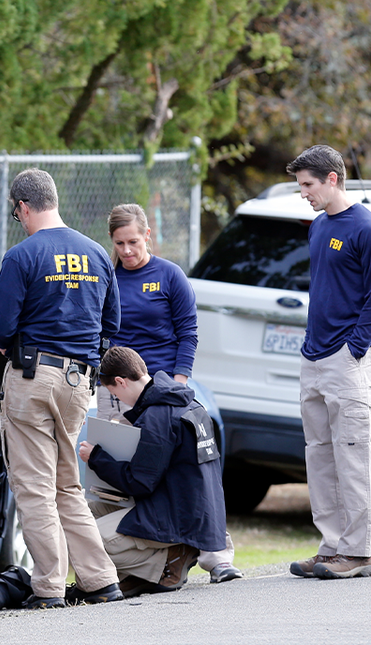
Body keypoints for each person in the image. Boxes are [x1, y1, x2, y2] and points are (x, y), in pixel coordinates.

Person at [0, 168, 122, 609]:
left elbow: (2, 327)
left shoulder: (22, 255)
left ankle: (47, 586)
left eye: (17, 214)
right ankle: (101, 579)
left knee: (34, 486)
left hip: (32, 376)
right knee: (68, 485)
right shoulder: (97, 253)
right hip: (79, 381)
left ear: (23, 207)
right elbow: (112, 325)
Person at [97, 203, 243, 583]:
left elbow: (188, 332)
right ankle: (156, 552)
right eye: (119, 243)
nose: (127, 250)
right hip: (118, 390)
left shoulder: (169, 276)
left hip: (165, 391)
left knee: (190, 469)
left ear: (147, 235)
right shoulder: (108, 278)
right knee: (129, 473)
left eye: (132, 241)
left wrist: (180, 382)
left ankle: (217, 555)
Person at [285, 145, 371, 580]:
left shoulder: (367, 228)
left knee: (351, 453)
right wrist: (313, 345)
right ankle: (332, 547)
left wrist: (354, 348)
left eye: (308, 184)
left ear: (332, 179)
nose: (304, 193)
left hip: (349, 359)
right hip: (315, 357)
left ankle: (359, 551)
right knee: (320, 455)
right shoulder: (319, 226)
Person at [79, 347, 227, 596]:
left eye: (114, 394)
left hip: (177, 521)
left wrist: (96, 458)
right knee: (81, 516)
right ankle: (137, 575)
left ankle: (167, 561)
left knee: (86, 541)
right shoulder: (187, 402)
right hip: (194, 513)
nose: (118, 401)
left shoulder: (157, 416)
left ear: (120, 381)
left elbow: (139, 482)